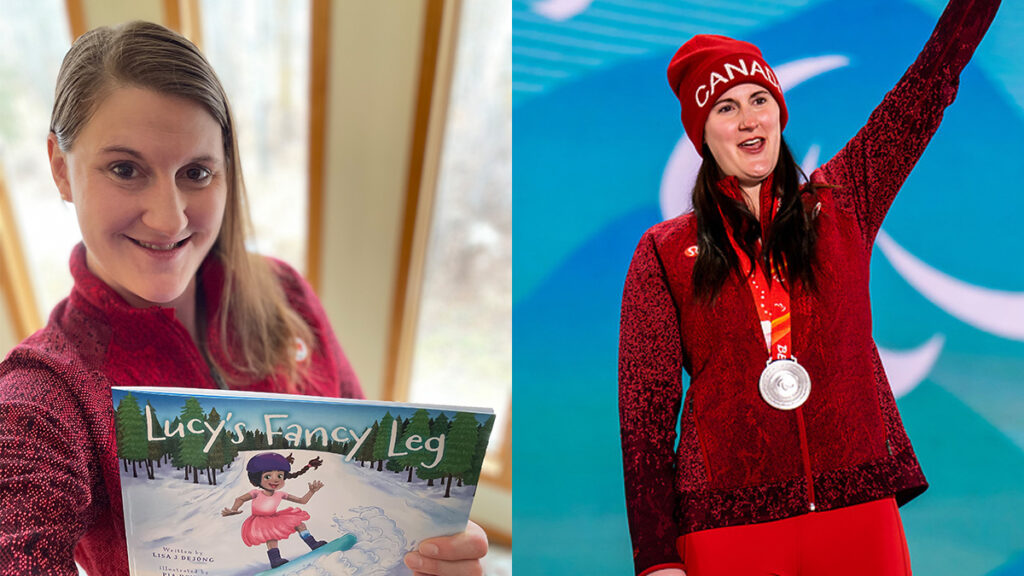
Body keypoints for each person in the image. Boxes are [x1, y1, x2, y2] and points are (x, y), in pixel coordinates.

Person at [0, 21, 486, 576]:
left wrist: (422, 557)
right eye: (125, 169)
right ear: (61, 169)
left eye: (196, 172)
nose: (170, 217)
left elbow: (361, 449)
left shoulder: (285, 293)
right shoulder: (40, 402)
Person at [618, 0, 1000, 575]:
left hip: (856, 510)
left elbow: (930, 84)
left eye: (760, 100)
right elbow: (644, 416)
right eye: (726, 107)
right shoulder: (664, 251)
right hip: (729, 526)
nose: (749, 119)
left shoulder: (845, 201)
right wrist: (654, 559)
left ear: (779, 113)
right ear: (703, 134)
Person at [222, 453, 328, 569]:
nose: (275, 480)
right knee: (271, 537)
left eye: (280, 476)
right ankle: (275, 559)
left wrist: (311, 492)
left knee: (300, 524)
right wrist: (234, 509)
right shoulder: (256, 493)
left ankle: (313, 544)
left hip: (274, 517)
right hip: (260, 520)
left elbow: (302, 501)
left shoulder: (281, 494)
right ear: (257, 479)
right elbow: (240, 499)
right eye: (267, 476)